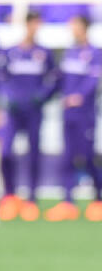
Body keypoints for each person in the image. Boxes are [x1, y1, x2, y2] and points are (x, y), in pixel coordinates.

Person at [0, 12, 56, 222]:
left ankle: (31, 199)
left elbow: (53, 79)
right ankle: (9, 196)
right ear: (26, 25)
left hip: (33, 110)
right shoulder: (11, 52)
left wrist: (43, 96)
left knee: (33, 153)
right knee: (5, 152)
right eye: (32, 24)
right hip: (13, 111)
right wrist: (6, 95)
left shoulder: (44, 53)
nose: (35, 28)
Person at [45, 15, 102, 221]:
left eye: (75, 26)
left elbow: (92, 81)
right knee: (67, 157)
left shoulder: (95, 53)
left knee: (86, 157)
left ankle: (98, 199)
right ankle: (68, 202)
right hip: (68, 113)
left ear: (84, 28)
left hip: (85, 114)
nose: (72, 30)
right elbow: (58, 80)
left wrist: (79, 96)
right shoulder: (69, 52)